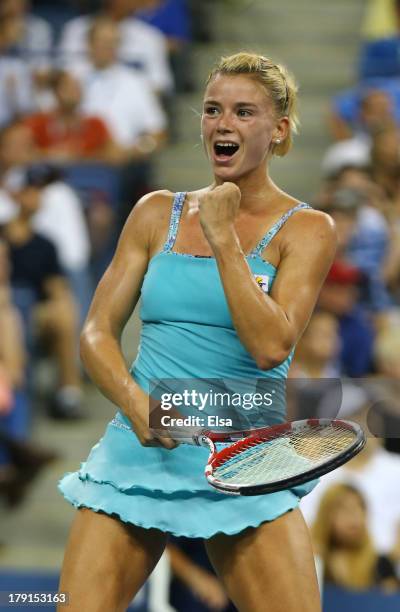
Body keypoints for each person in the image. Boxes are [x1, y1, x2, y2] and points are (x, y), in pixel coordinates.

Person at [57, 52, 337, 612]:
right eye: (213, 110)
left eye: (243, 112)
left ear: (278, 130)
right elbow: (95, 332)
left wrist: (223, 237)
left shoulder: (307, 229)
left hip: (245, 454)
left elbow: (270, 346)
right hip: (141, 448)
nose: (223, 124)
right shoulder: (154, 212)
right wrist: (137, 406)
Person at [311, 483, 399, 591]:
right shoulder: (313, 564)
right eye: (344, 508)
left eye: (360, 507)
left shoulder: (381, 566)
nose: (355, 515)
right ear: (326, 515)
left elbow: (390, 604)